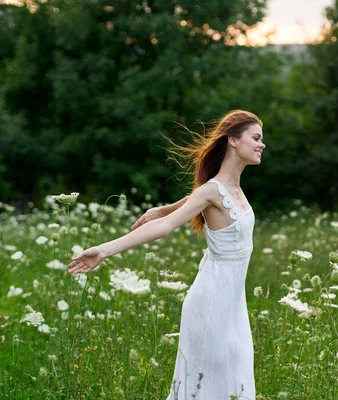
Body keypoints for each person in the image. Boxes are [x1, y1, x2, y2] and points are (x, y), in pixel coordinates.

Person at [68, 110, 265, 399]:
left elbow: (195, 197)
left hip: (233, 303)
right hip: (211, 301)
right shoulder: (214, 191)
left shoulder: (231, 189)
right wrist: (105, 250)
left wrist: (164, 207)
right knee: (205, 385)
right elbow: (165, 227)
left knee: (235, 377)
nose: (262, 145)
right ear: (234, 141)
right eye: (256, 138)